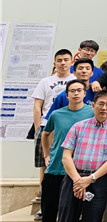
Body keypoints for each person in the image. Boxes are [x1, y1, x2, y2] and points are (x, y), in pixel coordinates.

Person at [53, 90, 107, 222]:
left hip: (98, 181)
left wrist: (90, 179)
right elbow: (66, 157)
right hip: (73, 179)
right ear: (93, 106)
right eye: (100, 104)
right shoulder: (78, 126)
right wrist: (78, 180)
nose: (104, 108)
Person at [39, 79, 93, 222]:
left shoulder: (92, 113)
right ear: (66, 95)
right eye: (72, 91)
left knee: (74, 214)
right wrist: (46, 154)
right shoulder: (56, 114)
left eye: (79, 90)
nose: (76, 93)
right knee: (49, 212)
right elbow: (45, 134)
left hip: (80, 172)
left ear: (84, 93)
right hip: (55, 170)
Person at [32, 49, 74, 200]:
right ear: (54, 63)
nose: (63, 63)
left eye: (66, 60)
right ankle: (42, 193)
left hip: (69, 127)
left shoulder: (76, 81)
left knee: (67, 159)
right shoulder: (45, 81)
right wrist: (38, 128)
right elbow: (37, 106)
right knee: (46, 161)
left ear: (71, 62)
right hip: (47, 125)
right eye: (59, 60)